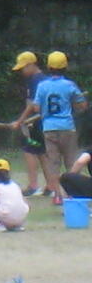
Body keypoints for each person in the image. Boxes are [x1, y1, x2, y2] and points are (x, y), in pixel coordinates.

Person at [22, 50, 87, 205]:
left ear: (49, 67)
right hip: (67, 127)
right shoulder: (69, 85)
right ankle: (72, 193)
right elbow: (83, 105)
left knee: (53, 163)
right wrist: (72, 104)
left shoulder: (43, 86)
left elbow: (36, 108)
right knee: (71, 162)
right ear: (65, 67)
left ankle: (57, 195)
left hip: (49, 128)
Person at [9, 51, 50, 196]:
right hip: (41, 123)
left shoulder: (36, 81)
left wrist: (19, 121)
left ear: (32, 65)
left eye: (23, 67)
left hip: (37, 123)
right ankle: (50, 186)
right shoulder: (41, 79)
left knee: (29, 150)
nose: (22, 71)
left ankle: (33, 186)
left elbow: (32, 105)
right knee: (42, 153)